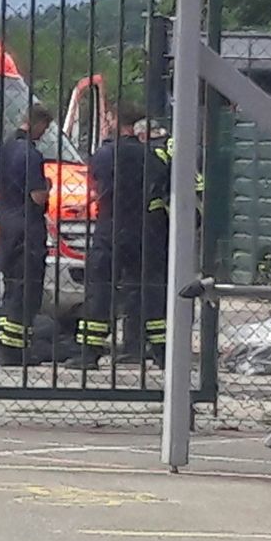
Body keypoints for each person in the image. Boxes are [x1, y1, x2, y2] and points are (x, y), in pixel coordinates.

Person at [69, 104, 169, 369]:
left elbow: (94, 186)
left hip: (110, 226)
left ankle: (90, 353)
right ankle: (156, 350)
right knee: (144, 290)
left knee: (101, 288)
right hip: (143, 230)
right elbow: (162, 186)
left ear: (116, 121)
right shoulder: (151, 156)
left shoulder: (104, 154)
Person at [0, 104, 54, 366]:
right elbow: (37, 197)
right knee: (26, 291)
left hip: (6, 227)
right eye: (45, 127)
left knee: (10, 287)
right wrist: (47, 187)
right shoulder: (31, 155)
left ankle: (3, 346)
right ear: (38, 123)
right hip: (27, 229)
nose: (44, 133)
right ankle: (15, 351)